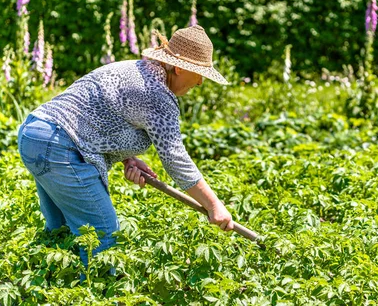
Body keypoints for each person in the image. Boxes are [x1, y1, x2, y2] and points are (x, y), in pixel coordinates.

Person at [17, 25, 235, 270]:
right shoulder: (158, 95)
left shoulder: (137, 69)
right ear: (180, 68)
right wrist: (214, 205)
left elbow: (102, 114)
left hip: (35, 135)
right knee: (102, 236)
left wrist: (127, 158)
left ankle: (25, 290)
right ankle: (96, 295)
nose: (200, 82)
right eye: (198, 73)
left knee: (60, 231)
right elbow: (175, 159)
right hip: (59, 147)